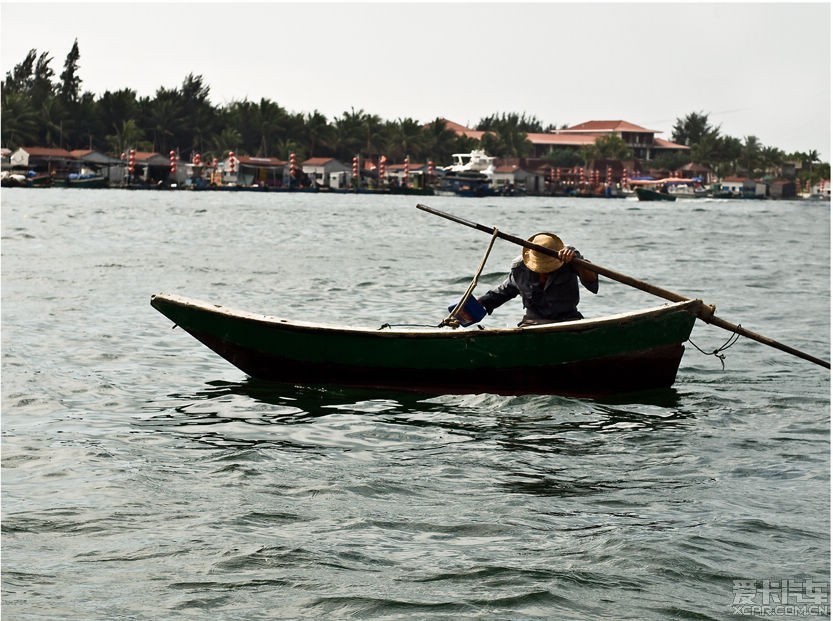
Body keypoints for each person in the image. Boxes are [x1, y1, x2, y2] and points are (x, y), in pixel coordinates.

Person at [478, 232, 598, 326]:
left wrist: (578, 263)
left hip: (568, 320)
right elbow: (502, 292)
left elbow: (591, 281)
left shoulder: (569, 259)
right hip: (532, 323)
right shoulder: (520, 268)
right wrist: (478, 303)